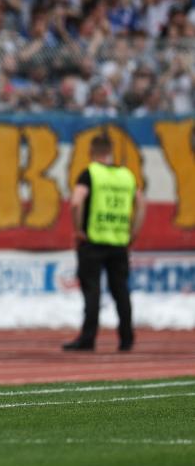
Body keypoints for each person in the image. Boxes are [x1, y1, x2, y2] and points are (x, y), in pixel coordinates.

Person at [63, 133, 144, 352]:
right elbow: (141, 205)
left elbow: (75, 203)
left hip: (93, 241)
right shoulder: (127, 175)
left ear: (91, 152)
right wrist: (132, 233)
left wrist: (79, 230)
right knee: (121, 292)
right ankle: (126, 339)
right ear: (110, 152)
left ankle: (88, 339)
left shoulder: (90, 174)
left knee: (92, 292)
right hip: (119, 242)